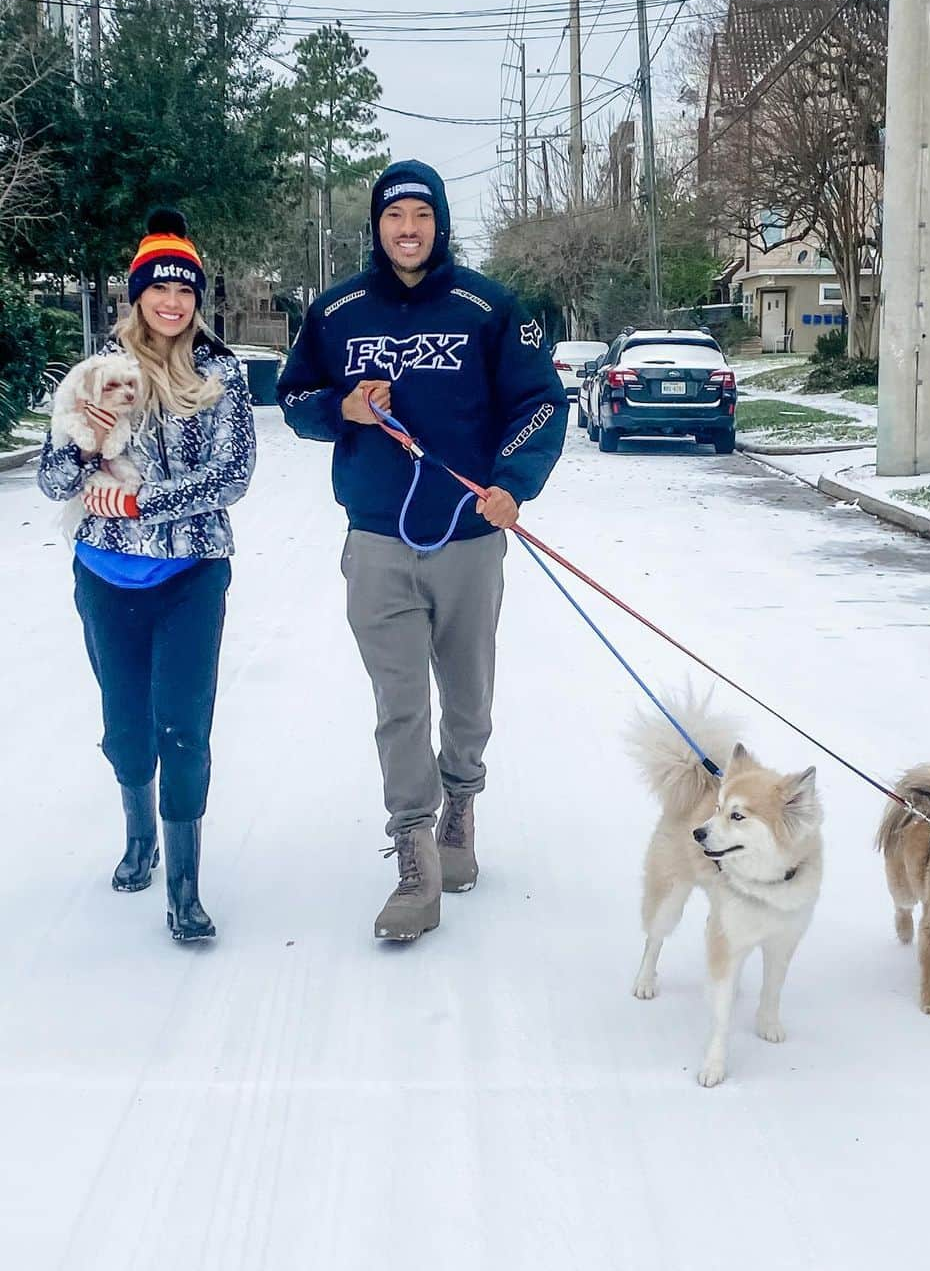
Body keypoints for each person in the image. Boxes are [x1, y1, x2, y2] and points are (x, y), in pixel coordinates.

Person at [278, 160, 567, 943]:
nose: (408, 229)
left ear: (439, 224)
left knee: (466, 693)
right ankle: (415, 853)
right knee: (398, 703)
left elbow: (540, 401)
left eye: (422, 216)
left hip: (469, 539)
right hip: (375, 539)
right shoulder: (337, 309)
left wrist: (513, 482)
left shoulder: (486, 306)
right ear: (376, 226)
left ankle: (460, 803)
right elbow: (294, 396)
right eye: (394, 216)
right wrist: (341, 407)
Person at [37, 208, 256, 943]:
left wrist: (139, 497)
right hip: (104, 575)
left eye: (184, 290)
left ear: (198, 297)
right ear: (138, 295)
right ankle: (139, 834)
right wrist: (86, 435)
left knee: (183, 731)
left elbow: (231, 475)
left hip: (192, 574)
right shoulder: (96, 370)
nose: (172, 301)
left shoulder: (222, 370)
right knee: (127, 732)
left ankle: (185, 889)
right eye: (158, 289)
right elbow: (51, 479)